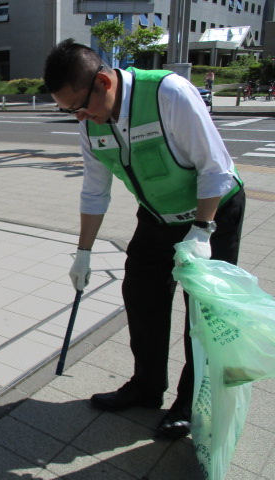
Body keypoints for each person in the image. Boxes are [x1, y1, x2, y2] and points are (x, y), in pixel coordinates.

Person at [43, 39, 245, 440]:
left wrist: (202, 232)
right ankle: (147, 386)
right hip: (157, 216)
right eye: (69, 112)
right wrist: (83, 253)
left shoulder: (169, 93)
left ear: (103, 82)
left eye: (79, 106)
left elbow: (215, 168)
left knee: (202, 314)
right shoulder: (89, 123)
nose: (79, 117)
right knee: (141, 294)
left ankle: (188, 401)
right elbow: (95, 191)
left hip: (212, 213)